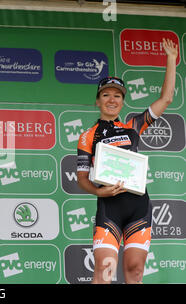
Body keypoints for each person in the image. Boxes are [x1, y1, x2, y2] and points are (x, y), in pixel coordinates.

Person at [77, 38, 178, 284]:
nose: (112, 100)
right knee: (104, 270)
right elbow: (81, 179)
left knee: (134, 272)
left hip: (138, 207)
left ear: (123, 101)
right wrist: (100, 193)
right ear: (98, 100)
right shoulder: (87, 136)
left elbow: (165, 100)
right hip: (109, 208)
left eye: (118, 96)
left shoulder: (133, 125)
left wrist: (171, 61)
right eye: (106, 95)